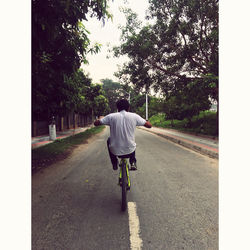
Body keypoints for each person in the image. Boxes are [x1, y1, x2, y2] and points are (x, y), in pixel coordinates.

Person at [94, 99, 152, 171]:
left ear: (117, 108)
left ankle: (114, 163)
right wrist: (145, 121)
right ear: (128, 108)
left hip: (115, 151)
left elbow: (96, 123)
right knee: (131, 140)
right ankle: (132, 162)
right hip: (130, 150)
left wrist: (100, 119)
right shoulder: (134, 116)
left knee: (109, 140)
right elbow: (149, 125)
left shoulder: (111, 116)